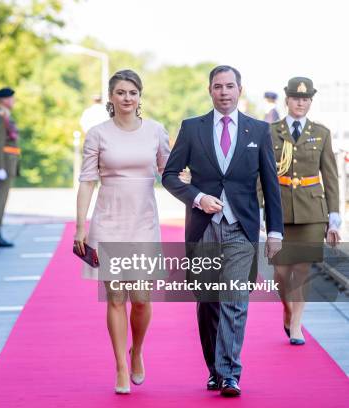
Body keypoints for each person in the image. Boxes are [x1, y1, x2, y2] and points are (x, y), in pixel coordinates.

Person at [162, 65, 283, 397]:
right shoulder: (191, 128)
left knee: (235, 299)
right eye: (218, 86)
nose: (224, 92)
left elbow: (271, 184)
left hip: (240, 227)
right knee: (208, 302)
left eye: (230, 86)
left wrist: (275, 231)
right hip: (203, 229)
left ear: (239, 90)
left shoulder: (258, 130)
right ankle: (215, 370)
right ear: (210, 90)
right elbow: (170, 175)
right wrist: (198, 198)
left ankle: (230, 373)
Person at [74, 69, 171, 394]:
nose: (127, 98)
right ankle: (119, 365)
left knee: (141, 299)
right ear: (111, 97)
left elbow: (168, 174)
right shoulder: (97, 134)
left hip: (144, 221)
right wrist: (80, 227)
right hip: (108, 221)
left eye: (132, 92)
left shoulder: (156, 131)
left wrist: (201, 194)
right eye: (120, 92)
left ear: (139, 96)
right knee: (115, 298)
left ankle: (137, 351)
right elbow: (87, 181)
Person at [270, 77, 340, 345]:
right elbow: (262, 175)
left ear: (310, 101)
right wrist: (262, 207)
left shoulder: (320, 133)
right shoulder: (270, 132)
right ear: (287, 100)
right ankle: (287, 309)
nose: (301, 102)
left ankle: (297, 324)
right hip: (280, 210)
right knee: (281, 272)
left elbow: (330, 177)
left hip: (312, 211)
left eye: (306, 98)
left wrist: (333, 217)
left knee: (302, 269)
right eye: (296, 98)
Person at [0, 87, 20, 247]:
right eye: (11, 98)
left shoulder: (5, 115)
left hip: (8, 163)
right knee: (0, 198)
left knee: (2, 197)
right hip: (4, 164)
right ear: (4, 100)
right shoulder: (0, 117)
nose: (13, 101)